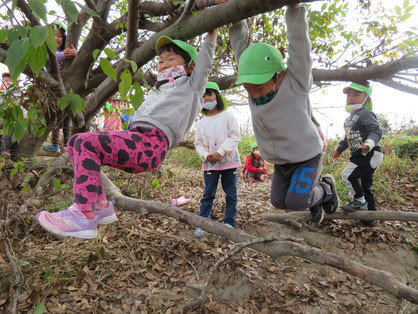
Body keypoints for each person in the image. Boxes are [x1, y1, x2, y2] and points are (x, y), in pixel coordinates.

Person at [35, 29, 218, 239]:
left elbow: (205, 63)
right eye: (160, 62)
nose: (164, 65)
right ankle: (101, 206)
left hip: (150, 145)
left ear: (190, 66)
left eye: (171, 59)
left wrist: (212, 34)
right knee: (76, 141)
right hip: (137, 140)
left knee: (85, 143)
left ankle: (84, 215)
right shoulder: (159, 89)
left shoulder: (191, 87)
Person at [229, 3, 338, 224]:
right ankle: (313, 198)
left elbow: (299, 47)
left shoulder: (295, 83)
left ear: (279, 76)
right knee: (279, 202)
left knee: (298, 202)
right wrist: (236, 21)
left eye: (259, 88)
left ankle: (326, 188)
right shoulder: (253, 86)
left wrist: (293, 9)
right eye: (248, 89)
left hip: (306, 156)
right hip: (281, 160)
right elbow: (243, 54)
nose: (254, 94)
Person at [194, 82, 241, 238]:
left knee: (230, 193)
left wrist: (221, 151)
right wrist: (206, 155)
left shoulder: (227, 116)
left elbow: (235, 136)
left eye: (210, 94)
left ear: (217, 96)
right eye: (203, 96)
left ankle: (228, 223)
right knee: (208, 193)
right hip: (210, 164)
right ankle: (203, 222)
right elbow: (198, 143)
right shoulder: (202, 122)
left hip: (228, 162)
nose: (207, 99)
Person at [333, 82, 383, 222]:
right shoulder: (348, 119)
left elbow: (376, 130)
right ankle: (370, 218)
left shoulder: (365, 114)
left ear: (366, 98)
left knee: (347, 175)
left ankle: (359, 200)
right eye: (348, 95)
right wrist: (339, 150)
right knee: (366, 187)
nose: (351, 98)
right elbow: (347, 138)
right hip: (359, 156)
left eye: (356, 94)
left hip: (369, 153)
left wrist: (369, 143)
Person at [42, 23, 77, 153]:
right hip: (55, 88)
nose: (56, 38)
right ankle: (55, 144)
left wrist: (76, 53)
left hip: (68, 88)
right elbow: (51, 57)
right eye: (53, 36)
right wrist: (64, 54)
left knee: (68, 119)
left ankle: (68, 145)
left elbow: (80, 60)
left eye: (59, 36)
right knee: (56, 118)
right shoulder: (53, 52)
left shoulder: (63, 50)